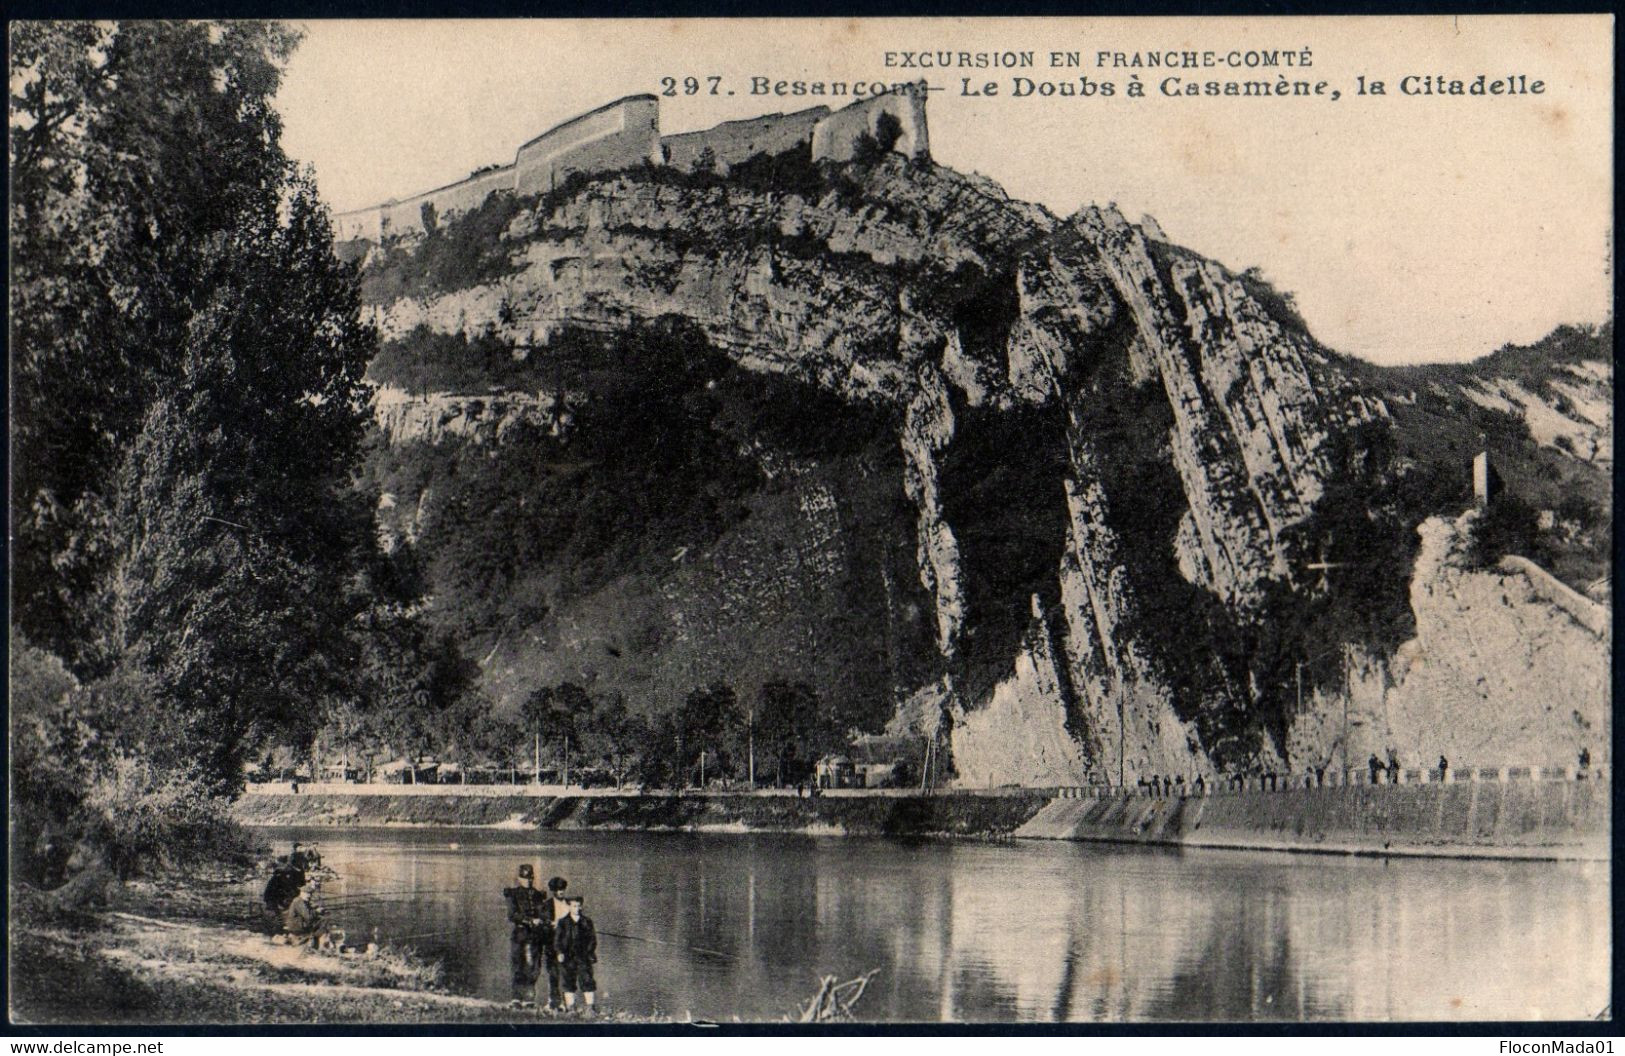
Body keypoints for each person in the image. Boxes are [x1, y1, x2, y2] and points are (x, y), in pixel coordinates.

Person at [503, 864, 547, 1006]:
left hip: (535, 936)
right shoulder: (513, 894)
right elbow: (512, 915)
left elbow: (543, 913)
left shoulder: (538, 895)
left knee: (534, 966)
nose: (528, 881)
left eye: (530, 878)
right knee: (518, 965)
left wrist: (543, 920)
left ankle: (529, 998)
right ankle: (516, 998)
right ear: (519, 878)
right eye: (524, 878)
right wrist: (529, 920)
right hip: (520, 934)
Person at [555, 895, 598, 1014]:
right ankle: (571, 1008)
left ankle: (590, 1008)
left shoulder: (587, 922)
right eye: (574, 906)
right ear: (569, 906)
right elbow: (557, 940)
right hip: (568, 957)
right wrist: (560, 952)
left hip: (583, 956)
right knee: (568, 981)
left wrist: (588, 952)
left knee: (587, 980)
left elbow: (592, 940)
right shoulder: (563, 922)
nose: (577, 908)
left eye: (579, 906)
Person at [538, 876, 570, 1008]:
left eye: (563, 888)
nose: (561, 891)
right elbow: (542, 924)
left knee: (566, 972)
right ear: (553, 891)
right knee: (553, 972)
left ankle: (566, 1002)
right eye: (558, 889)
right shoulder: (546, 906)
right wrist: (550, 924)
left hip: (567, 944)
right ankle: (553, 1001)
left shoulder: (570, 904)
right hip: (551, 943)